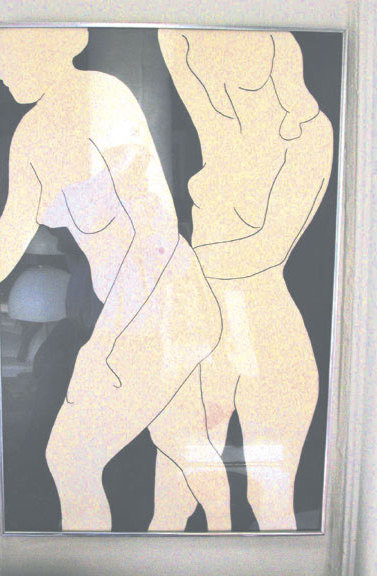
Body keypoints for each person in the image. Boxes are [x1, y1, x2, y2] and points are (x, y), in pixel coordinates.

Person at [0, 26, 231, 531]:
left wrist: (114, 340)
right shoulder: (30, 136)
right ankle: (228, 544)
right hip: (139, 306)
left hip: (162, 302)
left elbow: (155, 229)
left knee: (71, 457)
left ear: (49, 48)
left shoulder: (100, 98)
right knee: (184, 452)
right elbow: (9, 236)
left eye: (10, 54)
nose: (1, 69)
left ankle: (228, 546)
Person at [149, 29, 333, 531]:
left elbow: (267, 248)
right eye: (209, 66)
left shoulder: (309, 135)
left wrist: (177, 266)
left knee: (269, 504)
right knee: (172, 502)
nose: (219, 84)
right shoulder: (219, 118)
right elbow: (171, 38)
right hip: (201, 334)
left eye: (234, 68)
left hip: (266, 336)